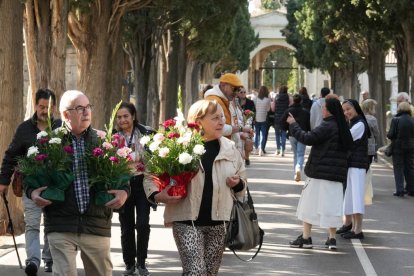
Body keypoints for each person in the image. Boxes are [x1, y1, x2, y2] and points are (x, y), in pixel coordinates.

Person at [26, 90, 129, 276]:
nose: (86, 112)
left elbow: (122, 178)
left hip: (96, 225)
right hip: (60, 225)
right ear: (66, 115)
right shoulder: (49, 143)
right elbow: (31, 177)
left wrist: (124, 193)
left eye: (88, 107)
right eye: (80, 108)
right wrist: (32, 192)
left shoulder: (103, 140)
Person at [144, 100, 247, 275]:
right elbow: (150, 175)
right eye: (215, 118)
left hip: (219, 222)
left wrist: (238, 184)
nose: (222, 122)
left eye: (222, 117)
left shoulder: (230, 148)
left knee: (209, 272)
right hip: (186, 221)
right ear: (198, 122)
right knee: (195, 271)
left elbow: (243, 182)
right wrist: (156, 195)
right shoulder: (179, 145)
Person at [0, 88, 59, 275]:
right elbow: (10, 156)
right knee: (32, 224)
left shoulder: (60, 128)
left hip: (55, 187)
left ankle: (49, 259)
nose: (44, 110)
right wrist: (3, 181)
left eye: (48, 107)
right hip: (30, 188)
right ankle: (33, 261)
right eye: (41, 106)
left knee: (53, 224)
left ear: (54, 108)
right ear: (35, 106)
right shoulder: (24, 129)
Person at [287, 97, 353, 250]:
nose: (322, 110)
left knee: (308, 205)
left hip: (318, 173)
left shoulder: (327, 125)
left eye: (324, 108)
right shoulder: (343, 127)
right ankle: (331, 239)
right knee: (332, 207)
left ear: (329, 110)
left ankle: (306, 237)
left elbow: (307, 138)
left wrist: (294, 124)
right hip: (336, 176)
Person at [116, 102, 155, 276]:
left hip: (142, 183)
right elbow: (113, 161)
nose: (122, 120)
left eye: (125, 116)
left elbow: (152, 157)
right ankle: (129, 264)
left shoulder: (145, 133)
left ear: (133, 116)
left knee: (143, 224)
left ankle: (142, 262)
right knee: (126, 226)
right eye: (119, 117)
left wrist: (135, 156)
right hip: (124, 184)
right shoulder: (113, 137)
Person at [337, 99, 370, 240]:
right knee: (351, 196)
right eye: (344, 110)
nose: (346, 112)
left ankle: (358, 230)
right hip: (353, 164)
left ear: (356, 108)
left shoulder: (360, 124)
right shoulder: (355, 123)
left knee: (356, 197)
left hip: (357, 165)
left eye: (348, 109)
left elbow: (346, 140)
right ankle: (353, 227)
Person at [204, 73, 252, 141]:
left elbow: (233, 122)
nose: (236, 93)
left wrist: (242, 134)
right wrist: (241, 129)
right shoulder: (213, 100)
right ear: (223, 85)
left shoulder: (226, 99)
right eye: (234, 89)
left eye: (238, 90)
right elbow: (218, 127)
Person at [280, 93, 310, 182]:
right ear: (301, 101)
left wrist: (287, 129)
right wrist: (308, 131)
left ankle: (295, 172)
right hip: (302, 134)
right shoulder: (306, 112)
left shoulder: (288, 111)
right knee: (300, 154)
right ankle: (298, 168)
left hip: (292, 135)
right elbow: (309, 124)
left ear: (293, 100)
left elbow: (282, 122)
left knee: (295, 154)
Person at [387, 102, 414, 197]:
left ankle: (400, 190)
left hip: (398, 147)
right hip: (411, 147)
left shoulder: (396, 119)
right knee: (410, 167)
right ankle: (411, 189)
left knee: (398, 168)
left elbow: (391, 134)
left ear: (399, 109)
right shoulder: (412, 120)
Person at [361, 99, 380, 204]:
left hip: (360, 146)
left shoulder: (359, 117)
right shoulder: (372, 119)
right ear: (370, 108)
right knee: (367, 168)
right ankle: (365, 190)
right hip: (370, 146)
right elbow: (376, 134)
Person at [253, 86, 271, 156]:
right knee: (263, 135)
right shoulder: (267, 99)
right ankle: (261, 149)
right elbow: (268, 109)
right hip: (264, 118)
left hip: (257, 118)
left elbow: (254, 108)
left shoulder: (255, 99)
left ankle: (256, 148)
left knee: (257, 134)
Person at [273, 85, 290, 156]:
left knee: (277, 134)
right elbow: (290, 106)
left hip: (277, 117)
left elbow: (273, 108)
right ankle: (283, 150)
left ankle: (278, 149)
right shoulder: (288, 97)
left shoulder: (276, 97)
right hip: (285, 117)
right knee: (283, 133)